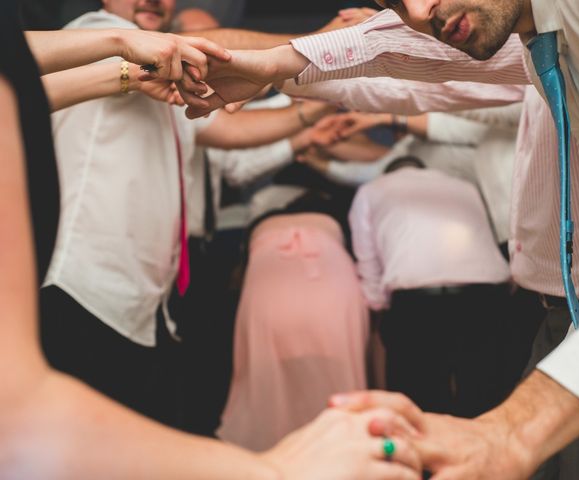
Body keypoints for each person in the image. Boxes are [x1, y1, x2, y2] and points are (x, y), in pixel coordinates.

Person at [182, 0, 579, 477]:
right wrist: (278, 67)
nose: (421, 13)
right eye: (393, 4)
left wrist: (513, 431)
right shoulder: (546, 51)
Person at [0, 1, 423, 477]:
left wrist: (308, 120)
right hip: (85, 286)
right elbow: (23, 425)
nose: (153, 2)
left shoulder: (139, 68)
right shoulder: (97, 31)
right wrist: (320, 40)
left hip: (142, 302)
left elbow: (226, 130)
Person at [349, 156, 511, 417]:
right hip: (486, 297)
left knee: (419, 409)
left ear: (387, 174)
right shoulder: (464, 185)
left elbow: (368, 266)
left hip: (417, 303)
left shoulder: (371, 190)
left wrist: (381, 309)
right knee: (485, 402)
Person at [218, 190, 369, 450]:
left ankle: (273, 449)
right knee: (339, 362)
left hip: (270, 282)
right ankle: (343, 443)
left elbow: (237, 277)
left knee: (266, 362)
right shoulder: (337, 218)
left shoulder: (260, 223)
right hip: (332, 280)